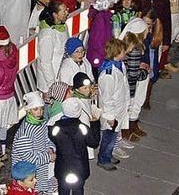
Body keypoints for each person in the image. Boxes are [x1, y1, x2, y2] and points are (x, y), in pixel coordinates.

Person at [49, 97, 100, 195]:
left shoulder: (57, 128)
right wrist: (94, 124)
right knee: (78, 190)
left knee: (63, 190)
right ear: (78, 112)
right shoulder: (82, 128)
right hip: (79, 168)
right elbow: (94, 142)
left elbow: (52, 136)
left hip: (63, 168)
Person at [12, 91, 56, 195]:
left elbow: (47, 139)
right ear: (29, 111)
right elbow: (29, 158)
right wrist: (48, 157)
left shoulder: (42, 122)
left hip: (42, 165)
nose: (39, 112)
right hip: (28, 173)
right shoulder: (24, 133)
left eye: (41, 109)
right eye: (35, 109)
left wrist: (50, 148)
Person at [97, 39, 131, 171]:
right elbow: (107, 99)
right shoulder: (108, 75)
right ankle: (103, 159)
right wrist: (110, 116)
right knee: (108, 138)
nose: (125, 52)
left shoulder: (119, 65)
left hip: (120, 108)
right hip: (112, 112)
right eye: (123, 51)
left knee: (113, 136)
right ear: (116, 52)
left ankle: (108, 155)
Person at [36, 1, 70, 93]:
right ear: (55, 14)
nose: (67, 13)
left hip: (62, 78)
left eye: (66, 10)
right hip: (50, 83)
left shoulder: (63, 26)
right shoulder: (47, 35)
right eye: (64, 11)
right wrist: (53, 84)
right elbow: (45, 62)